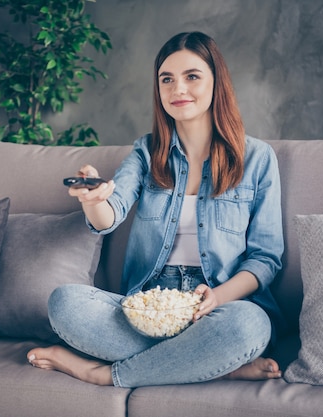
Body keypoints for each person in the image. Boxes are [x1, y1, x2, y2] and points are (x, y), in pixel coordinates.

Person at [27, 31, 284, 388]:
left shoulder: (256, 159)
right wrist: (94, 200)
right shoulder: (147, 152)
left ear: (216, 82)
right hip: (147, 307)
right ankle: (208, 364)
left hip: (220, 305)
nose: (178, 89)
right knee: (64, 302)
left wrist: (217, 298)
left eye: (192, 76)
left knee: (248, 327)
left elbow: (265, 259)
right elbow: (110, 212)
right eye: (167, 79)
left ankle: (102, 373)